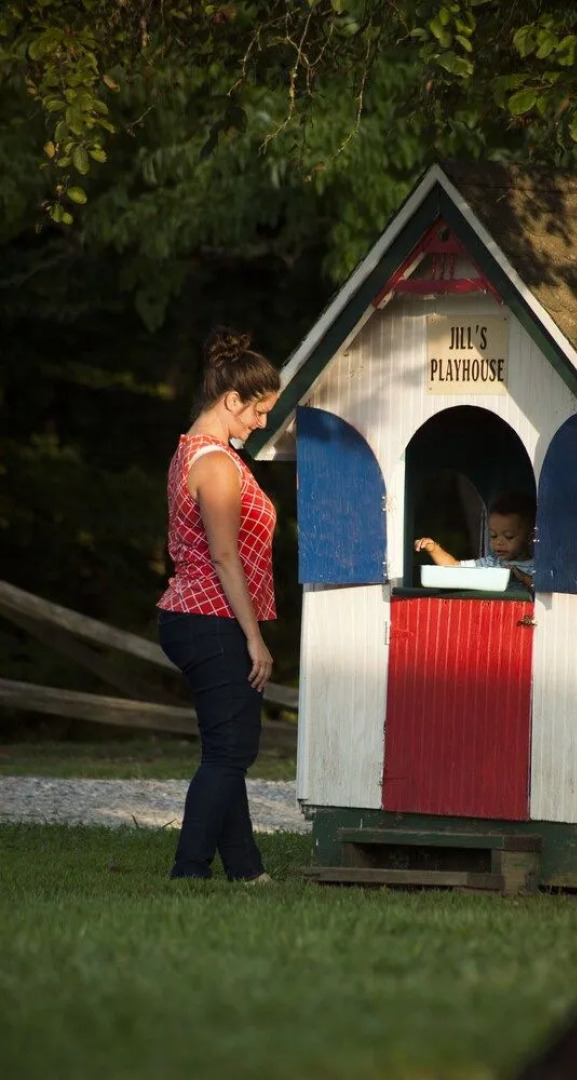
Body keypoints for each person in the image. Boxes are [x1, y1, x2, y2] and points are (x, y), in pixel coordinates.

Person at [156, 326, 282, 882]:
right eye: (258, 411)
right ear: (233, 400)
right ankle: (189, 872)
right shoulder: (215, 463)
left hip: (199, 615)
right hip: (211, 618)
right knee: (230, 753)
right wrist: (254, 638)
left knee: (225, 751)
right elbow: (225, 556)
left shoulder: (194, 449)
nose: (261, 423)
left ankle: (247, 871)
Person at [415, 491, 536, 592]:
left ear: (530, 538)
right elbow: (454, 567)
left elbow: (543, 593)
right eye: (493, 536)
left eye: (508, 536)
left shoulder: (536, 567)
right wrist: (434, 549)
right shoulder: (490, 563)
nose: (499, 542)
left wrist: (523, 578)